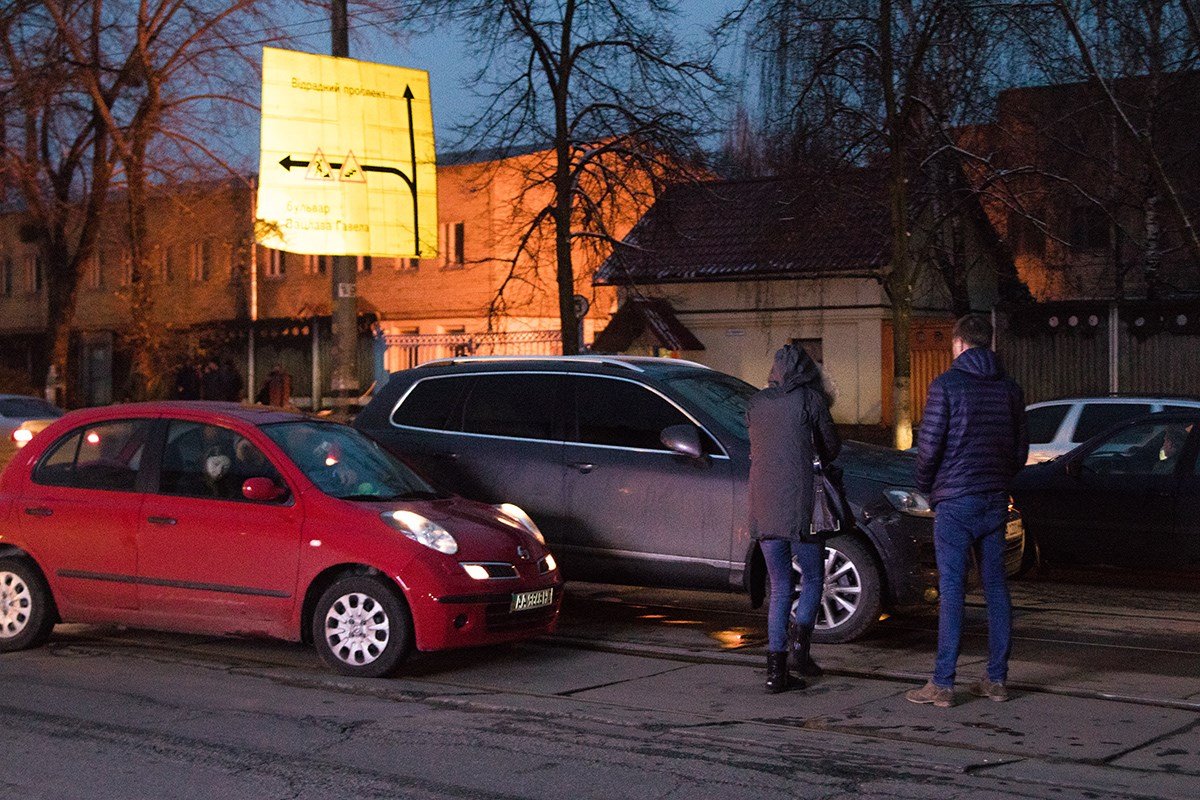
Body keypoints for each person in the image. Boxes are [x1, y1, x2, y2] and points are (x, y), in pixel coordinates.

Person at [907, 314, 1028, 708]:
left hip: (955, 503)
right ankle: (996, 679)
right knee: (996, 588)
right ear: (988, 343)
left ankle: (943, 684)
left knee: (953, 590)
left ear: (958, 344)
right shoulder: (1009, 389)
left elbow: (928, 449)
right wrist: (998, 479)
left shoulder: (945, 386)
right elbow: (1020, 450)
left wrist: (928, 488)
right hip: (993, 499)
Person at [747, 343, 841, 694]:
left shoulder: (756, 404)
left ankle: (775, 672)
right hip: (803, 509)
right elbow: (831, 447)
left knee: (780, 587)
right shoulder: (810, 401)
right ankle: (800, 652)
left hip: (764, 507)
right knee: (814, 577)